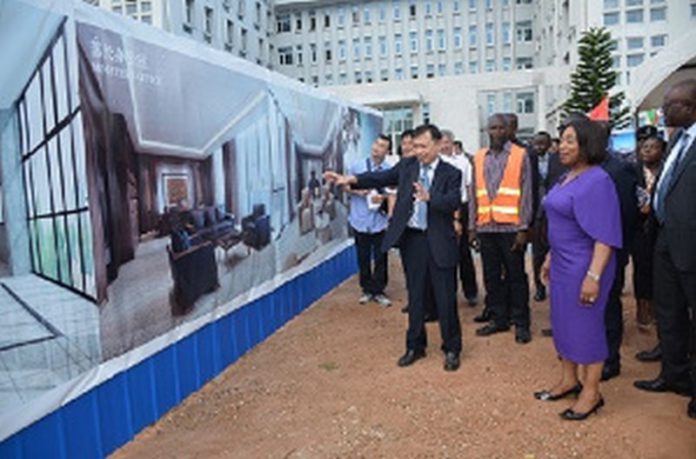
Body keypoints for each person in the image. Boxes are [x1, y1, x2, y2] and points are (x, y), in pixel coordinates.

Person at [324, 124, 463, 371]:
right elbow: (381, 177)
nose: (418, 151)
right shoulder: (408, 166)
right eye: (415, 146)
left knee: (445, 298)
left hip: (439, 240)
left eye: (423, 146)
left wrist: (431, 198)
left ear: (438, 144)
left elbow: (453, 200)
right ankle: (414, 346)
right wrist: (351, 179)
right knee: (416, 295)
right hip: (414, 240)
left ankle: (451, 348)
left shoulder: (451, 172)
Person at [534, 118, 622, 421]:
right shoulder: (567, 176)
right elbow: (561, 222)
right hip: (561, 262)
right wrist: (548, 257)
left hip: (586, 266)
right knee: (563, 323)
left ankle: (591, 392)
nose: (563, 146)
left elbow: (605, 237)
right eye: (563, 139)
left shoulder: (598, 180)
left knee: (587, 327)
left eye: (571, 140)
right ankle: (569, 379)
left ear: (588, 143)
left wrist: (593, 277)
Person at [634, 79, 696, 420]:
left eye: (673, 104)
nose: (665, 110)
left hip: (691, 243)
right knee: (669, 312)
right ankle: (673, 375)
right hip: (664, 239)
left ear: (692, 107)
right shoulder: (675, 140)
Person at [469, 114, 533, 344]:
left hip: (511, 229)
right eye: (491, 128)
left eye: (499, 128)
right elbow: (474, 194)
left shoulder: (520, 155)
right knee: (491, 276)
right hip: (486, 227)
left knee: (516, 276)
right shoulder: (479, 158)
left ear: (508, 130)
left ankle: (522, 322)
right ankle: (498, 318)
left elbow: (526, 193)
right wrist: (472, 227)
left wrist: (524, 228)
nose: (495, 132)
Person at [347, 134, 392, 307]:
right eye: (376, 143)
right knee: (363, 257)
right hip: (360, 219)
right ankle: (366, 289)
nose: (376, 148)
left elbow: (393, 193)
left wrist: (383, 198)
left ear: (387, 151)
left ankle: (379, 290)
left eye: (382, 146)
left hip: (379, 221)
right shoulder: (358, 166)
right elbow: (345, 186)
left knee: (381, 257)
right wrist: (358, 192)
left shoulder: (389, 170)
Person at [440, 129, 479, 307]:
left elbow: (470, 189)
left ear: (453, 143)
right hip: (441, 209)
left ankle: (471, 292)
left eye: (447, 142)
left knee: (463, 253)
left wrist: (469, 217)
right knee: (444, 253)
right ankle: (448, 293)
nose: (444, 146)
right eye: (441, 142)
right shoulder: (436, 163)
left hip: (461, 208)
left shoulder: (463, 163)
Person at [632, 135, 665, 331]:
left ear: (662, 151)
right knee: (641, 270)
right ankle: (642, 309)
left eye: (653, 147)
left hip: (661, 229)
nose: (647, 150)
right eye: (645, 147)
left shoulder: (666, 171)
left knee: (660, 271)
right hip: (639, 230)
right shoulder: (633, 171)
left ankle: (656, 309)